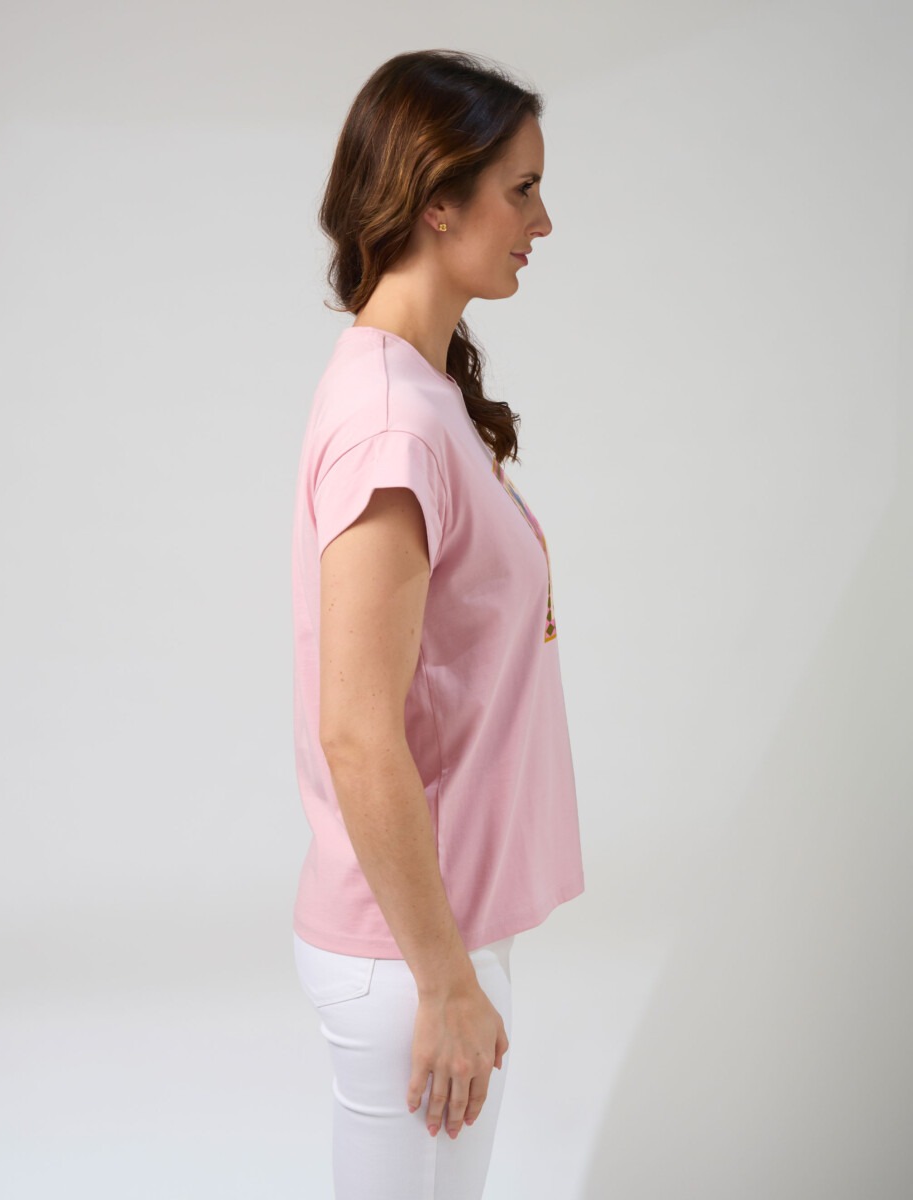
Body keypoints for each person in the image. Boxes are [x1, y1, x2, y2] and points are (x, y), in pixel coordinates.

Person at [289, 49, 585, 1200]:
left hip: (432, 937)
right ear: (436, 200)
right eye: (522, 190)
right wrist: (445, 980)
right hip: (412, 952)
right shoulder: (391, 421)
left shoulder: (418, 392)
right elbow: (358, 731)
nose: (543, 222)